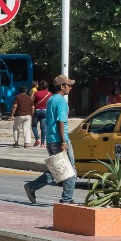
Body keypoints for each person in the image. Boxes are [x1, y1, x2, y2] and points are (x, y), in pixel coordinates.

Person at [24, 75, 77, 205]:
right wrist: (63, 142)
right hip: (59, 140)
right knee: (70, 171)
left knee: (57, 170)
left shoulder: (51, 99)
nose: (70, 88)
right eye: (68, 86)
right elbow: (60, 122)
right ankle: (66, 199)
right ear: (62, 87)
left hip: (51, 140)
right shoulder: (61, 101)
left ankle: (32, 187)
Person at [31, 79, 51, 147]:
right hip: (45, 111)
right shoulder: (49, 94)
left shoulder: (36, 93)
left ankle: (37, 138)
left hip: (37, 110)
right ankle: (42, 143)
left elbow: (31, 101)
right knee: (43, 127)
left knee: (34, 125)